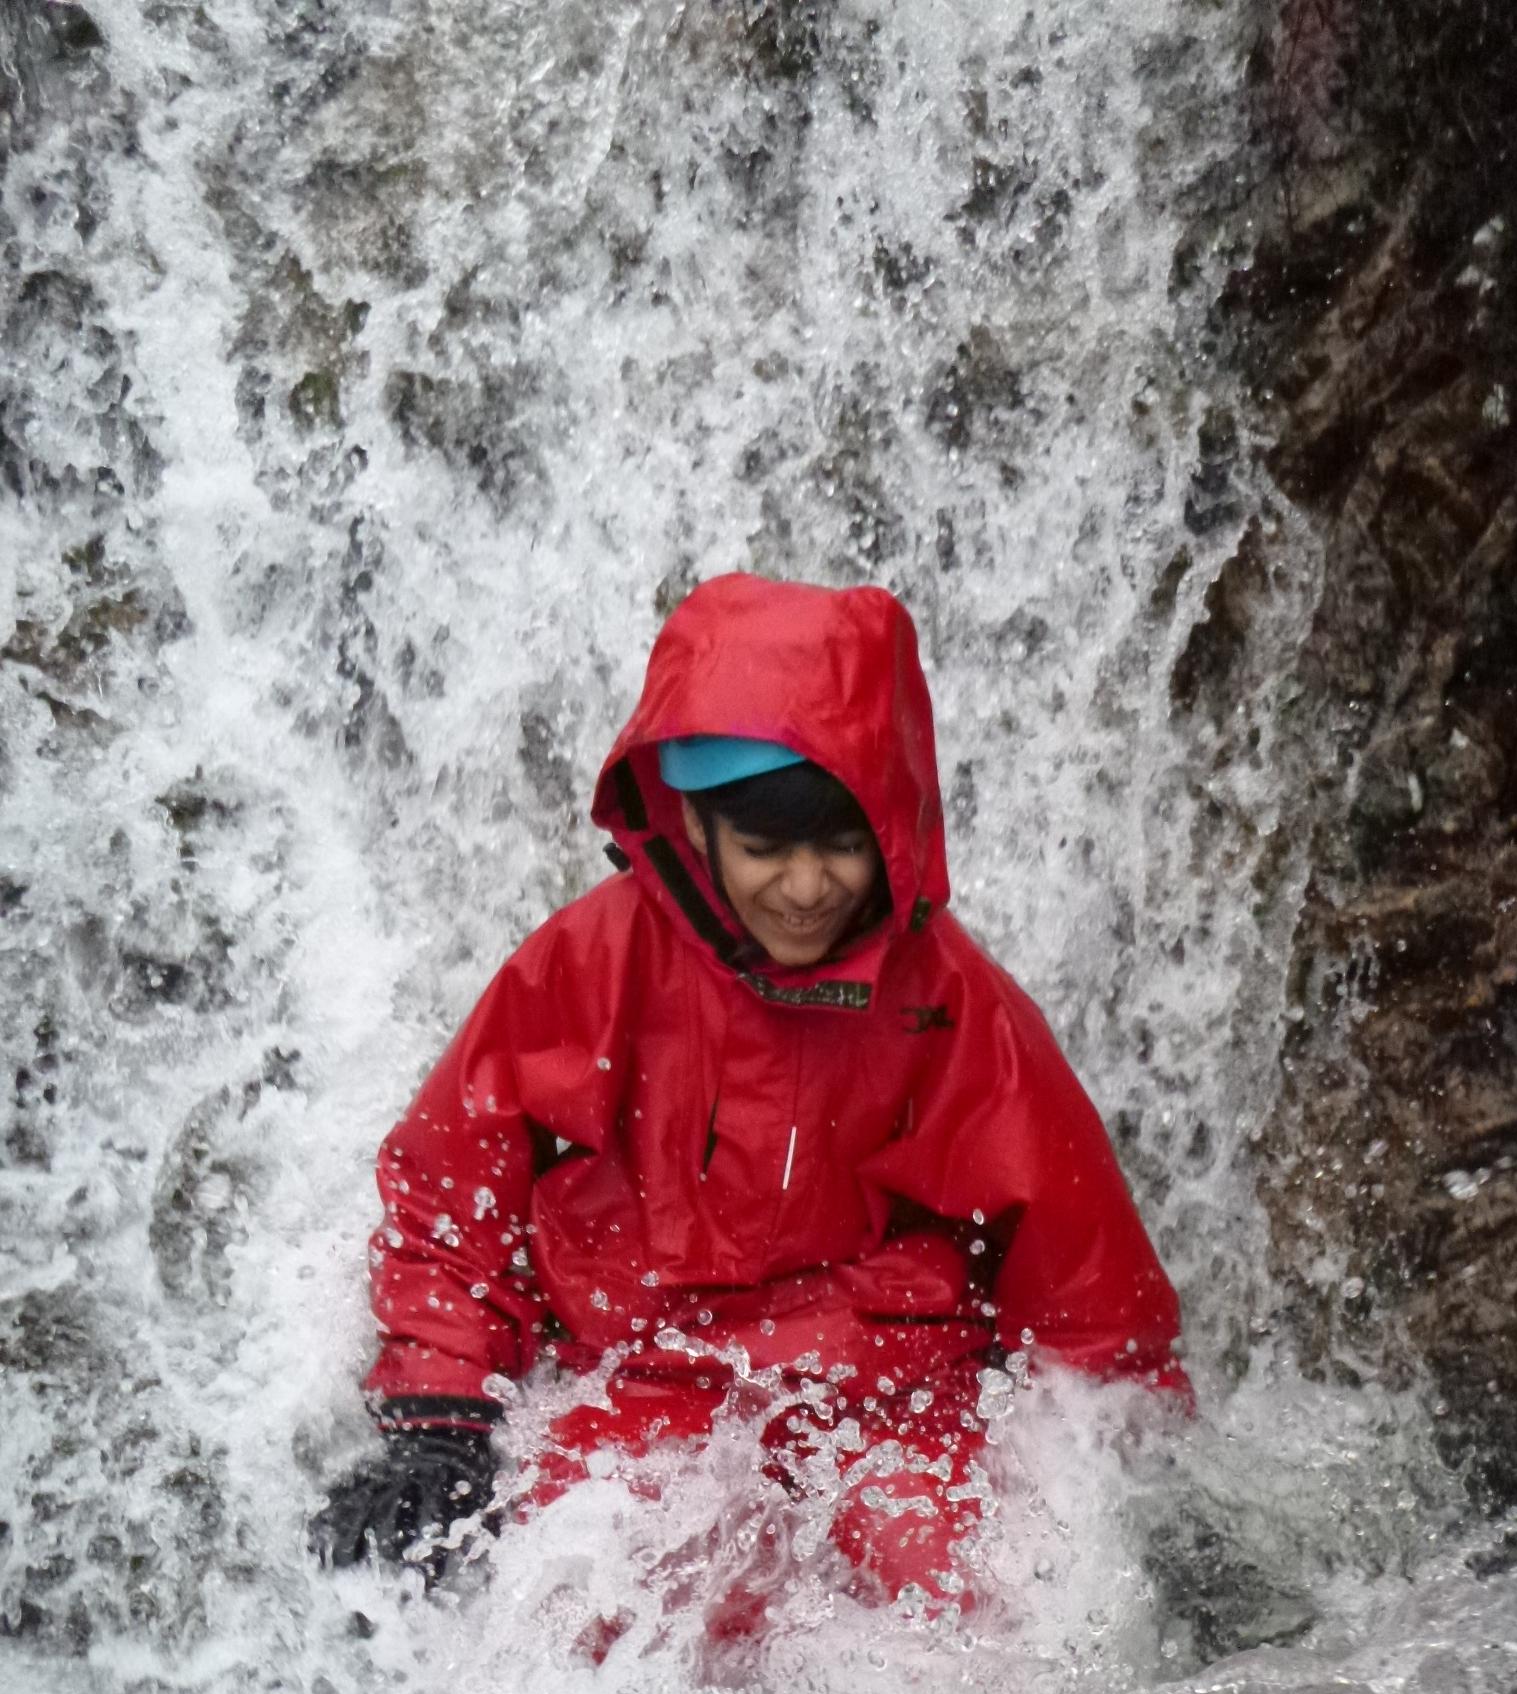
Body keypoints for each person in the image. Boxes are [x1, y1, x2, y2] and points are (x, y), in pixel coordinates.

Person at [315, 573, 1186, 1613]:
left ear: (890, 830)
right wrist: (439, 1418)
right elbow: (454, 1198)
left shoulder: (953, 1003)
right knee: (581, 1607)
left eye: (843, 846)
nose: (807, 889)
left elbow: (1085, 1276)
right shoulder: (593, 964)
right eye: (766, 849)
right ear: (696, 826)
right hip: (644, 1384)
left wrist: (1150, 1498)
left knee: (973, 1611)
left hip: (894, 1401)